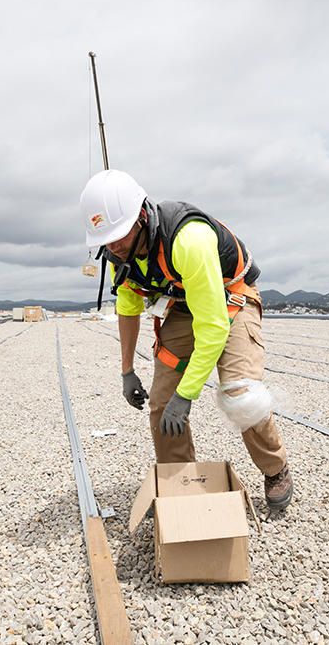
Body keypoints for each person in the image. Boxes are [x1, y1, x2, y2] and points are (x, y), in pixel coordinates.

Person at [79, 169, 293, 509]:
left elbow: (213, 327)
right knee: (162, 404)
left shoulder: (188, 240)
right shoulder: (118, 255)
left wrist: (188, 394)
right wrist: (127, 371)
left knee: (242, 395)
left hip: (230, 297)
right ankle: (180, 487)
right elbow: (129, 308)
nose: (114, 246)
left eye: (119, 236)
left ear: (142, 216)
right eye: (106, 240)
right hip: (182, 304)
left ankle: (275, 467)